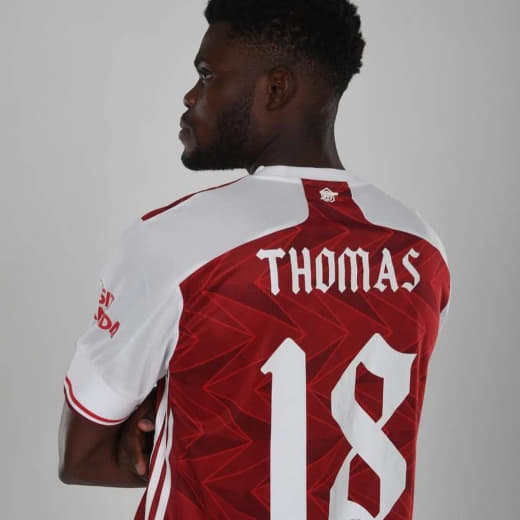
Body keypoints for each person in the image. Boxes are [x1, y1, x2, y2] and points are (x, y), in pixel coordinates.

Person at [58, 1, 451, 519]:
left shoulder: (174, 242)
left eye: (206, 75)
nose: (190, 95)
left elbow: (82, 457)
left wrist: (164, 418)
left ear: (276, 88)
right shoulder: (420, 248)